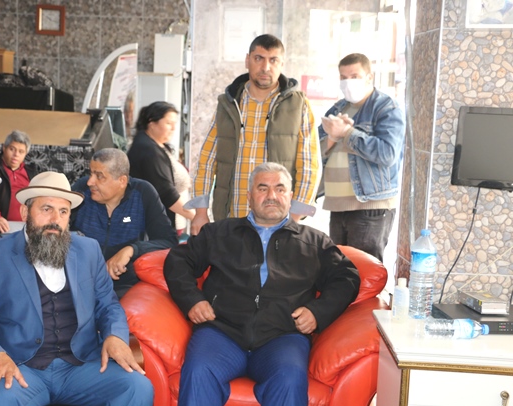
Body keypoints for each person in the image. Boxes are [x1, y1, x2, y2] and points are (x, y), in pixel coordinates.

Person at [0, 171, 153, 406]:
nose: (55, 220)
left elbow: (108, 305)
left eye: (63, 212)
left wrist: (115, 336)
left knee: (138, 389)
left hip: (82, 367)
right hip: (20, 369)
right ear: (25, 212)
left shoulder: (89, 251)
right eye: (46, 209)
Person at [164, 162, 360, 406]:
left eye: (280, 189)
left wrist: (318, 312)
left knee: (289, 380)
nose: (271, 196)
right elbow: (178, 261)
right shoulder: (220, 232)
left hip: (282, 337)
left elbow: (347, 277)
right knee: (198, 371)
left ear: (290, 196)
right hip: (222, 332)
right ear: (249, 196)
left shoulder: (314, 242)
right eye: (263, 188)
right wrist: (192, 300)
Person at [187, 34, 322, 235]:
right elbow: (207, 160)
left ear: (282, 64)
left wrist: (293, 219)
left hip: (277, 221)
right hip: (231, 218)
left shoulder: (298, 105)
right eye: (259, 58)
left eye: (273, 60)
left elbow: (309, 165)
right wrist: (200, 212)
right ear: (247, 60)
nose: (265, 67)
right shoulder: (228, 104)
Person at [318, 53, 405, 262]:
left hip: (369, 206)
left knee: (364, 271)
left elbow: (387, 153)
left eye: (355, 76)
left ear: (369, 77)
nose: (348, 82)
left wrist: (347, 133)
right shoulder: (338, 108)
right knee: (339, 271)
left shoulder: (386, 108)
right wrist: (332, 138)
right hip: (338, 206)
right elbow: (315, 151)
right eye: (343, 77)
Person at [72, 148, 178, 299]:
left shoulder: (143, 193)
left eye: (99, 176)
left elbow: (168, 241)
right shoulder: (81, 191)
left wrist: (132, 249)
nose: (90, 182)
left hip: (124, 287)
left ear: (122, 181)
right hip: (80, 283)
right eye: (91, 173)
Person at [127, 101, 194, 229]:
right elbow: (166, 193)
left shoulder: (155, 144)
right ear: (152, 123)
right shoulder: (148, 150)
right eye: (168, 123)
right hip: (153, 225)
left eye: (174, 124)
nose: (173, 128)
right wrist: (195, 217)